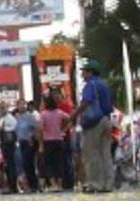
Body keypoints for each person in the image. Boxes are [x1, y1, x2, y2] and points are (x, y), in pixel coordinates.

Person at [70, 59, 114, 193]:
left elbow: (86, 102)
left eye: (84, 71)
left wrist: (74, 115)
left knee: (91, 153)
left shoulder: (90, 85)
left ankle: (95, 183)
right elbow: (108, 106)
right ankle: (108, 183)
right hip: (106, 119)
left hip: (93, 122)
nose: (82, 74)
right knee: (105, 153)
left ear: (90, 72)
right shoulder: (104, 84)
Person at [38, 96, 69, 191]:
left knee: (49, 163)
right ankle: (60, 184)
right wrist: (63, 129)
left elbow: (40, 128)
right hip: (59, 139)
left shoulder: (43, 114)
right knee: (59, 162)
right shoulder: (59, 112)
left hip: (48, 141)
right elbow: (69, 118)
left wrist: (41, 142)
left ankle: (53, 184)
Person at [15, 100, 41, 193]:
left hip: (29, 142)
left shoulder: (30, 116)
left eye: (23, 104)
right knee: (24, 165)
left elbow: (37, 127)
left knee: (29, 163)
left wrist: (33, 137)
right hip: (20, 142)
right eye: (19, 105)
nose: (21, 106)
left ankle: (34, 185)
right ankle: (29, 185)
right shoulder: (17, 117)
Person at [0, 104, 19, 193]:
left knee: (11, 165)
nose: (1, 110)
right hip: (3, 144)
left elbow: (14, 130)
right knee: (6, 166)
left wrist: (2, 129)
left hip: (9, 144)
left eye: (2, 108)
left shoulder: (10, 118)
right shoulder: (1, 119)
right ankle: (9, 185)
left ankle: (13, 186)